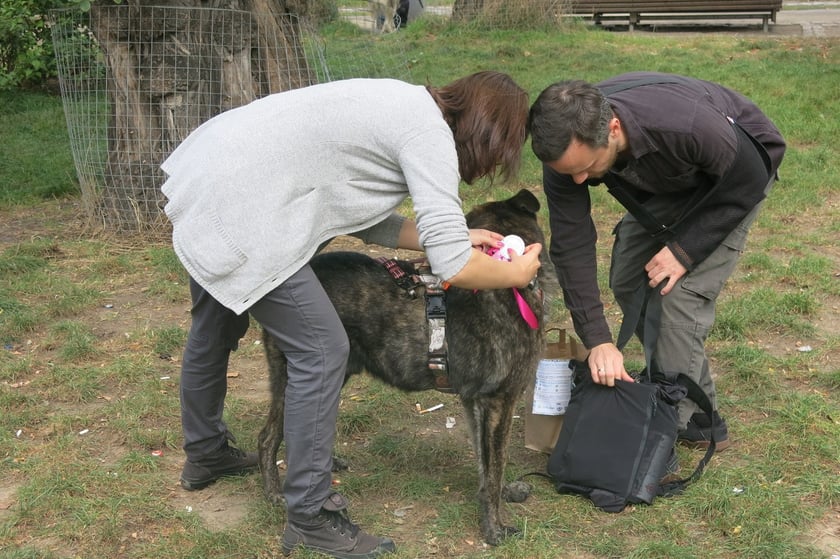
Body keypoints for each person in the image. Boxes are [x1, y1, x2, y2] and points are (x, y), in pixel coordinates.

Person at [160, 71, 542, 559]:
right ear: (486, 134)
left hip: (217, 173)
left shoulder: (405, 104)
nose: (490, 168)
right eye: (499, 154)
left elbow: (363, 214)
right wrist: (516, 274)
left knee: (215, 328)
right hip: (246, 208)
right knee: (322, 348)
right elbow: (454, 268)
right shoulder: (429, 136)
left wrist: (448, 235)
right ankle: (311, 514)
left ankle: (206, 453)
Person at [528, 71, 785, 452]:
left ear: (613, 129)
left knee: (678, 296)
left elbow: (749, 176)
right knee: (630, 278)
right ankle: (682, 391)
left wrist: (685, 250)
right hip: (672, 176)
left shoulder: (686, 125)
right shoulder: (566, 154)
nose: (579, 180)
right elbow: (571, 244)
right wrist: (597, 340)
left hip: (738, 173)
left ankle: (680, 421)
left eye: (587, 167)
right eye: (569, 173)